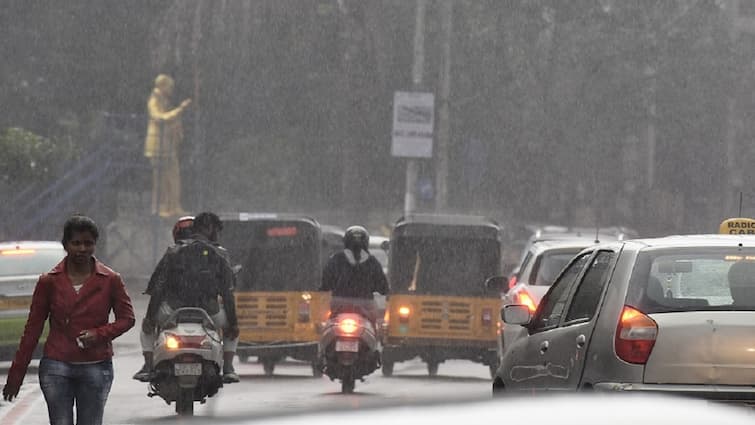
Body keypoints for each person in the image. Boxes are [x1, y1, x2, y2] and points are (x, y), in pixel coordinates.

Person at [2, 215, 135, 425]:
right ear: (66, 245)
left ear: (95, 245)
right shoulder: (49, 282)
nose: (82, 248)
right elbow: (32, 330)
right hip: (57, 367)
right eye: (76, 243)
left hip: (96, 365)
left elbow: (127, 319)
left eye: (88, 243)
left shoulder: (110, 280)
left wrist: (98, 334)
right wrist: (16, 375)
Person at [134, 212, 241, 383]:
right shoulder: (220, 253)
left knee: (145, 330)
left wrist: (150, 318)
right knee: (232, 331)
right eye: (217, 231)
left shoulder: (173, 251)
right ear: (210, 228)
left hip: (172, 309)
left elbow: (158, 288)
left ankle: (148, 366)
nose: (217, 236)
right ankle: (228, 368)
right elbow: (227, 293)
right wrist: (233, 324)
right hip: (209, 310)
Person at [320, 225, 389, 324]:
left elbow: (325, 283)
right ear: (366, 242)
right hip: (366, 304)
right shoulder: (372, 262)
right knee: (373, 325)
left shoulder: (336, 259)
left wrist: (323, 288)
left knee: (330, 323)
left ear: (346, 242)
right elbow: (383, 287)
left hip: (339, 303)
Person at [144, 74, 191, 218]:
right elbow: (159, 118)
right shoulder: (154, 100)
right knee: (160, 179)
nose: (171, 90)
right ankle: (160, 207)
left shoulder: (164, 100)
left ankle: (174, 205)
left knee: (173, 176)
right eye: (169, 87)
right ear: (162, 86)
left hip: (168, 146)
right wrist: (180, 110)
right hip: (157, 145)